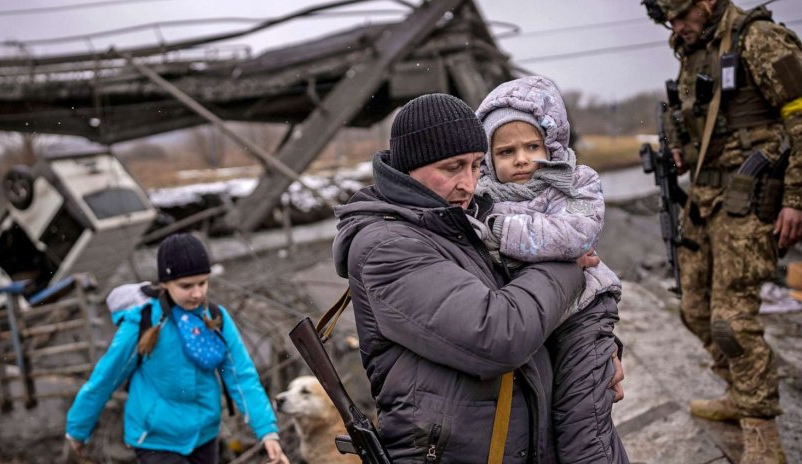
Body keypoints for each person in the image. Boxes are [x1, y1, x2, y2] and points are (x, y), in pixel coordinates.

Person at [331, 93, 624, 463]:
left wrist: (595, 350)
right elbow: (499, 334)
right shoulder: (387, 246)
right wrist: (568, 260)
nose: (468, 184)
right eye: (453, 167)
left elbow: (536, 308)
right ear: (409, 167)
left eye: (476, 165)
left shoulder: (463, 219)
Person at [644, 0, 802, 462]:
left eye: (680, 17)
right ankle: (740, 392)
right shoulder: (693, 48)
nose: (675, 28)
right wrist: (678, 148)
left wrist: (796, 199)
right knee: (694, 308)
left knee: (731, 320)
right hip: (705, 199)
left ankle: (762, 434)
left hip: (751, 199)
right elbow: (694, 118)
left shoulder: (759, 39)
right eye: (669, 21)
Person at [473, 75, 628, 464]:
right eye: (506, 152)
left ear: (550, 145)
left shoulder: (575, 184)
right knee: (544, 433)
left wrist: (501, 233)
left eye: (532, 147)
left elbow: (573, 235)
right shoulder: (482, 198)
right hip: (535, 322)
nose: (522, 159)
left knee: (583, 425)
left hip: (582, 315)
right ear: (489, 159)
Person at [65, 233, 289, 464]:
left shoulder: (215, 318)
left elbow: (241, 377)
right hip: (155, 439)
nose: (197, 293)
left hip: (204, 436)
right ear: (165, 283)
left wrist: (267, 432)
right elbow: (106, 376)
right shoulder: (144, 321)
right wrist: (78, 427)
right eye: (186, 286)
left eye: (202, 282)